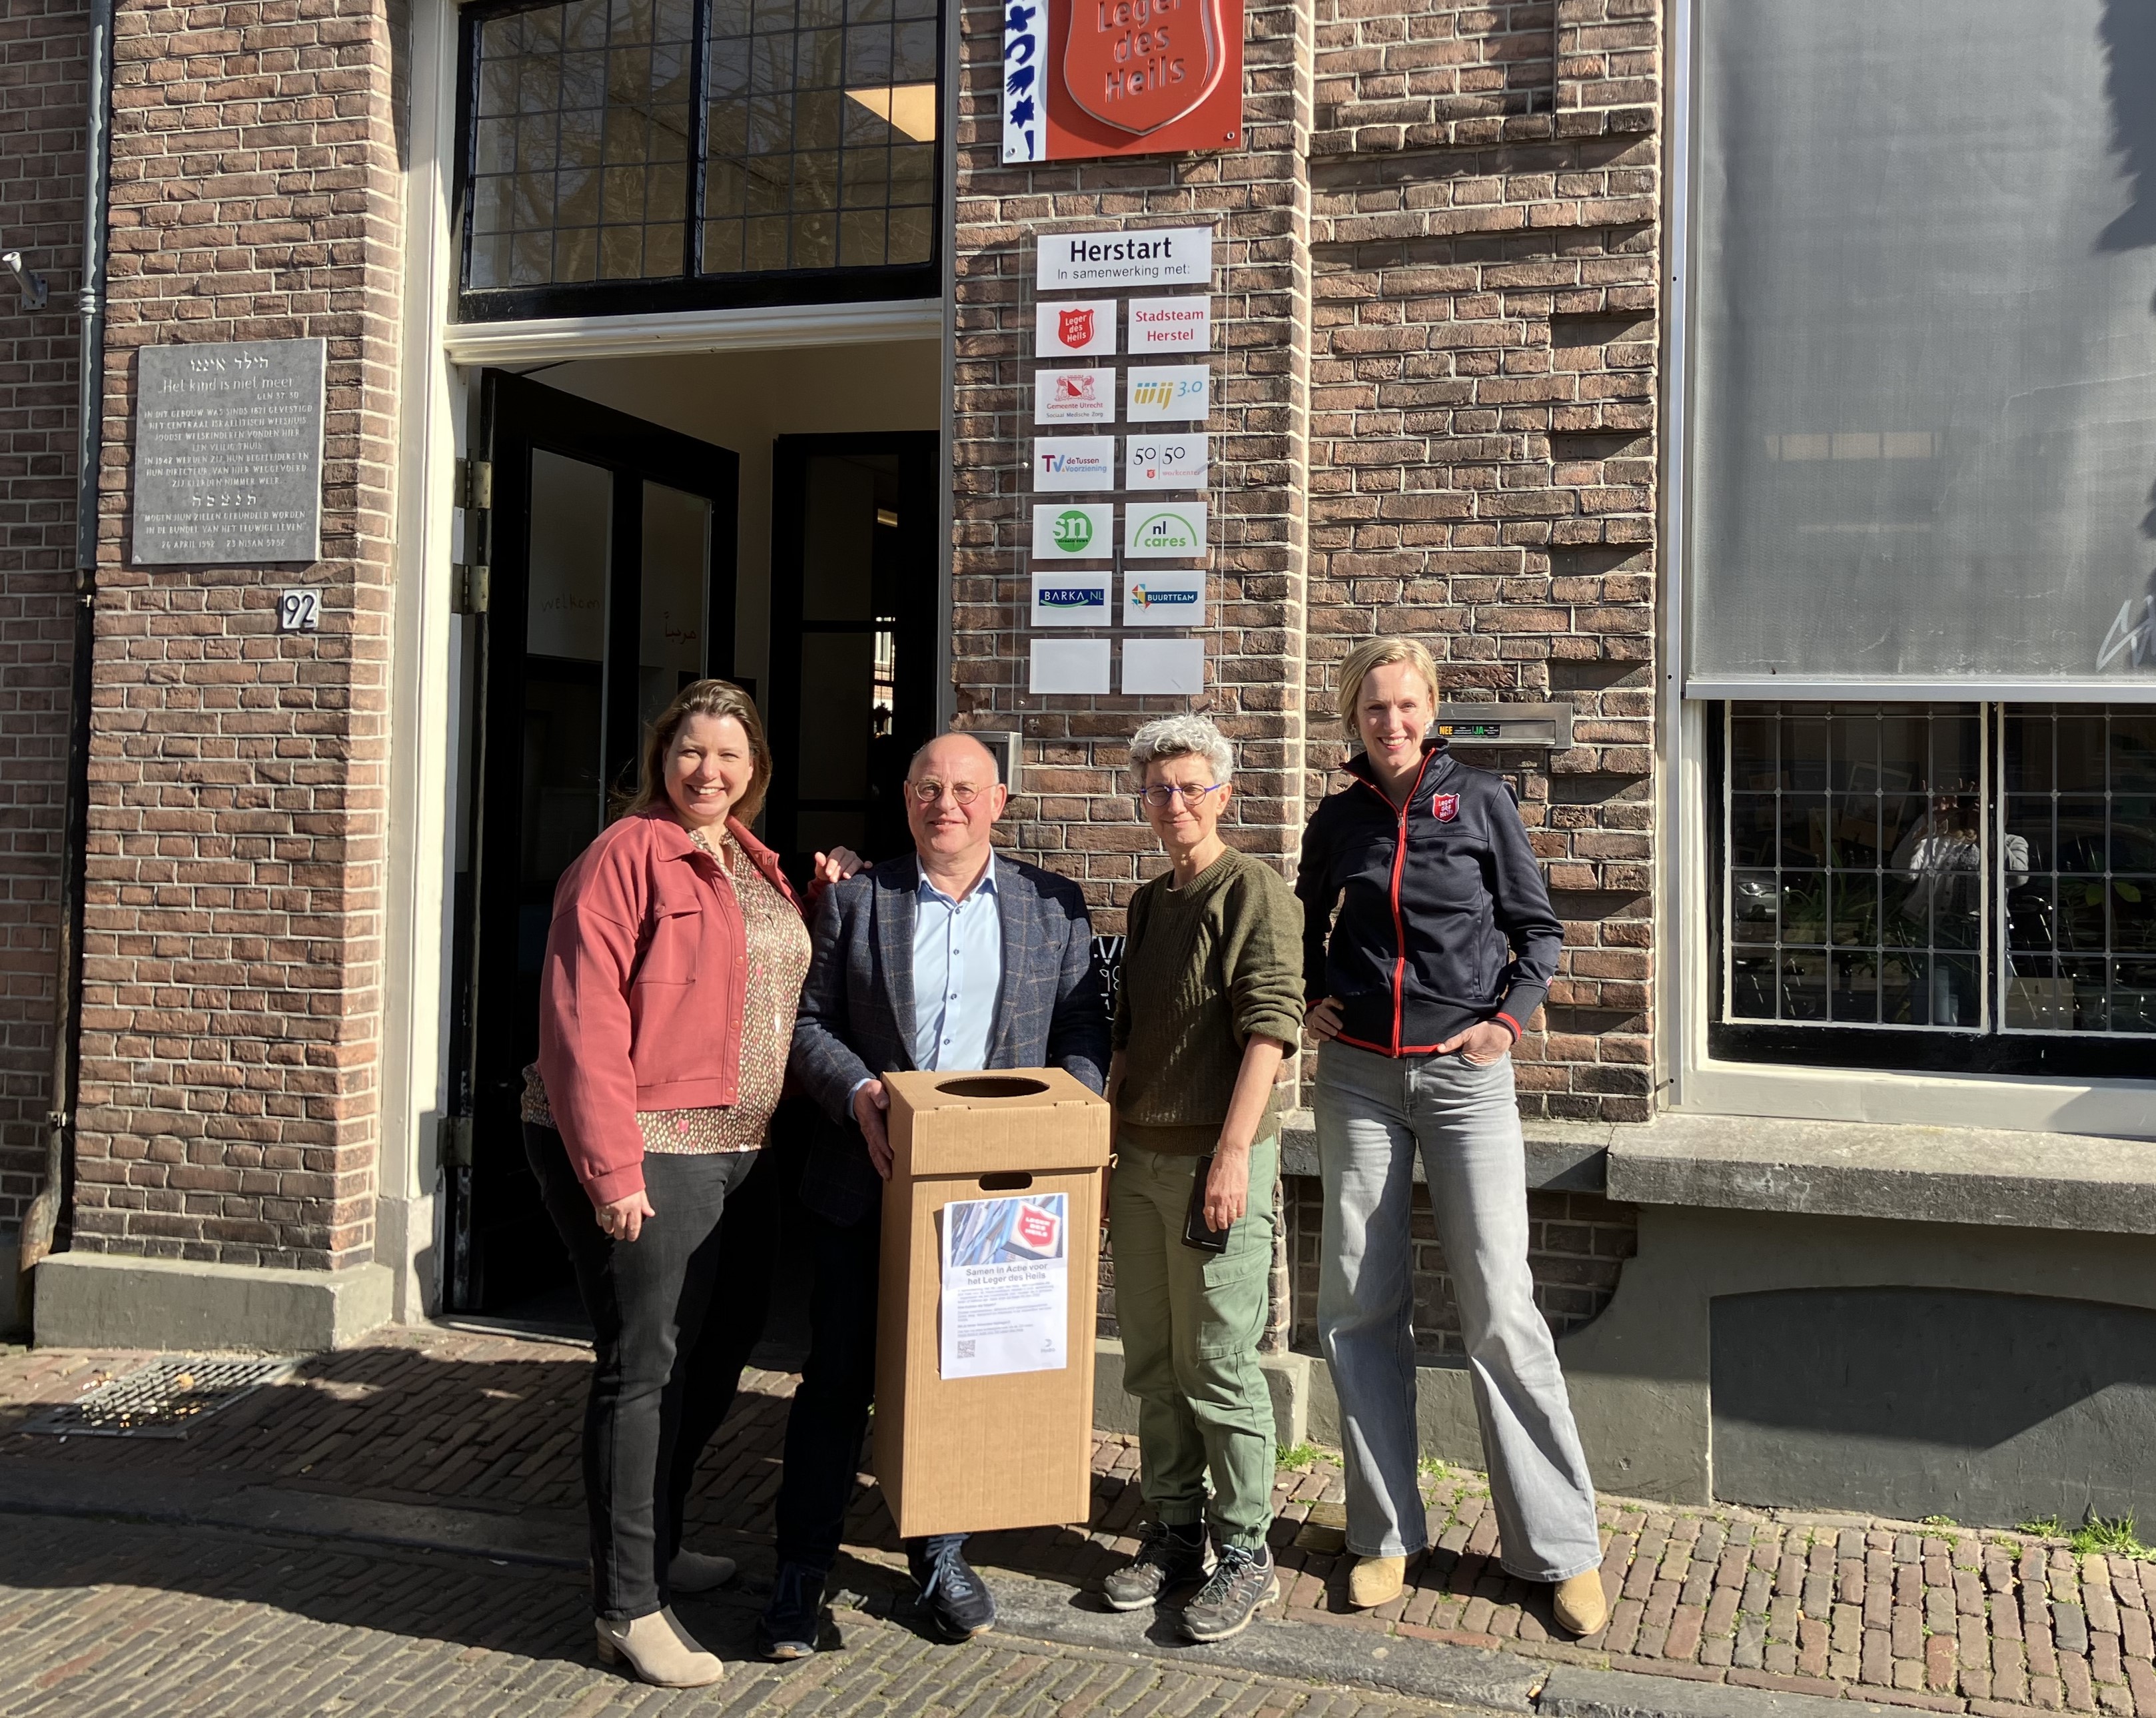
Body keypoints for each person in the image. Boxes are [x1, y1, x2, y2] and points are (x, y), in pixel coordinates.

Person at [523, 679, 852, 1687]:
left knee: (723, 1347)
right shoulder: (627, 854)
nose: (708, 771)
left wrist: (833, 894)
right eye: (691, 752)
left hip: (742, 1150)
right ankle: (626, 1606)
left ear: (753, 774)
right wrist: (613, 1169)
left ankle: (653, 1548)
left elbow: (763, 993)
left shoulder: (752, 862)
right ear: (664, 757)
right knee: (643, 1367)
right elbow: (581, 1020)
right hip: (651, 1146)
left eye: (730, 757)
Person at [760, 731, 1111, 1659]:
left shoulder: (1051, 907)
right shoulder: (859, 898)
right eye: (926, 787)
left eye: (963, 788)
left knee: (960, 1378)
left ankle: (939, 1554)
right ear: (906, 799)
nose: (944, 803)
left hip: (986, 1199)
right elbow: (809, 1024)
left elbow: (1081, 1027)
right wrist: (860, 1092)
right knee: (837, 1382)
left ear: (998, 801)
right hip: (866, 1180)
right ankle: (800, 1572)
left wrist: (1063, 1120)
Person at [1295, 636, 1609, 1636]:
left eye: (1406, 705)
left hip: (1466, 1079)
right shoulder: (1338, 819)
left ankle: (1559, 1547)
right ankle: (1384, 1535)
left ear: (1432, 710)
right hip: (1358, 1079)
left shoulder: (1477, 800)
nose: (1391, 721)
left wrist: (1505, 1021)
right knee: (1357, 1301)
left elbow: (1539, 929)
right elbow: (1307, 925)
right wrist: (1312, 997)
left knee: (1500, 1304)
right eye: (1373, 707)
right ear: (1352, 718)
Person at [1099, 715, 1303, 1642]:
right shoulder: (1149, 903)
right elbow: (1133, 1037)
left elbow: (1270, 1028)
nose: (1174, 803)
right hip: (1139, 1159)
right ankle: (1175, 1527)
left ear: (1224, 794)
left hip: (1215, 1158)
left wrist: (1232, 1155)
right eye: (1159, 789)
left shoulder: (1251, 889)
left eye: (1191, 787)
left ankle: (1247, 1548)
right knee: (1153, 1361)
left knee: (1218, 1361)